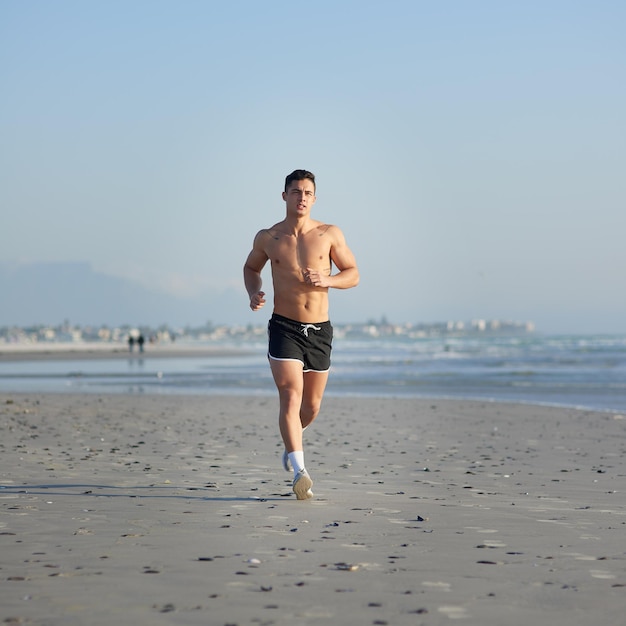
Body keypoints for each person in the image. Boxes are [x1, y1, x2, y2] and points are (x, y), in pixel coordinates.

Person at [243, 169, 359, 499]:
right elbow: (251, 268)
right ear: (284, 196)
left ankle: (292, 443)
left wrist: (328, 280)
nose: (302, 197)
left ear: (315, 198)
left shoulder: (329, 234)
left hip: (319, 330)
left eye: (308, 193)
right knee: (290, 395)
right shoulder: (269, 237)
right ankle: (299, 470)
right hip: (284, 326)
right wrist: (254, 292)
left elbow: (353, 274)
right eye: (296, 192)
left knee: (311, 407)